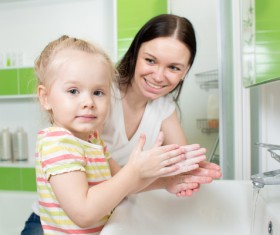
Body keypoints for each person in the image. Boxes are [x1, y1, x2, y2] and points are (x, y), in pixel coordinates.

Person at [21, 14, 222, 234]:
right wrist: (135, 171)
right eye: (151, 60)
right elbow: (85, 211)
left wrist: (172, 178)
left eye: (173, 67)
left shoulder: (93, 137)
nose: (88, 102)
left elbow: (121, 180)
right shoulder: (66, 135)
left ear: (186, 70)